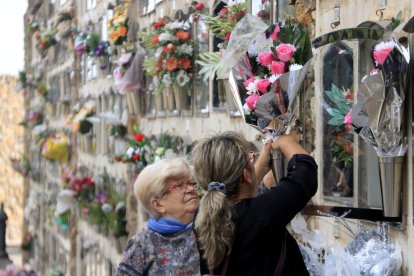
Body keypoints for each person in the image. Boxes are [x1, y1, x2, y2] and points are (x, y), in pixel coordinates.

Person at [192, 131, 318, 275]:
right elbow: (305, 173)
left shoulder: (202, 217)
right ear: (246, 175)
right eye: (251, 159)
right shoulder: (262, 213)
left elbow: (236, 200)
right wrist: (285, 141)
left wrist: (257, 170)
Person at [115, 158, 201, 275]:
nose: (191, 189)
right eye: (180, 186)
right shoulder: (143, 243)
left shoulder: (207, 230)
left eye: (191, 183)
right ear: (158, 204)